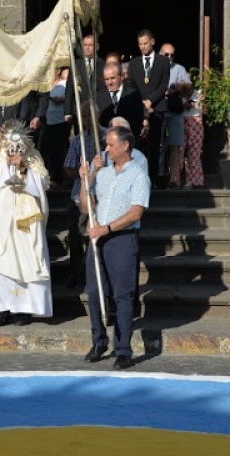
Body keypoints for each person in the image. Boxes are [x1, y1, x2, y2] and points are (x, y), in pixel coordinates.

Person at [79, 126, 150, 370]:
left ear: (125, 146)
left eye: (110, 145)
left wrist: (106, 228)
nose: (106, 149)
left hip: (121, 239)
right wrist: (86, 178)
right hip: (98, 239)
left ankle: (123, 349)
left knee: (122, 295)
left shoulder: (138, 175)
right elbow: (86, 207)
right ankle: (99, 341)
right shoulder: (104, 173)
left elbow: (135, 213)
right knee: (95, 292)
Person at [0, 119, 52, 326]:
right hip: (3, 217)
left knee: (28, 259)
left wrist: (23, 168)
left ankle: (25, 309)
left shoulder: (33, 156)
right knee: (3, 261)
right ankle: (2, 308)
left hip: (26, 222)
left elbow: (42, 183)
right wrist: (5, 167)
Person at [63, 100, 99, 288]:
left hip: (101, 195)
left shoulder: (106, 137)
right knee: (75, 235)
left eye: (89, 116)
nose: (86, 120)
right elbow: (68, 168)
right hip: (80, 193)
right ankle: (77, 273)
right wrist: (80, 170)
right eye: (83, 117)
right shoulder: (78, 140)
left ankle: (96, 273)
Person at [127, 29, 170, 186]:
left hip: (157, 107)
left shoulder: (163, 62)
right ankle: (138, 178)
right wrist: (141, 102)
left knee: (155, 145)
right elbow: (131, 85)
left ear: (152, 42)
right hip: (138, 108)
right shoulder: (133, 63)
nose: (142, 47)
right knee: (137, 143)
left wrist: (150, 100)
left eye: (145, 43)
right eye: (140, 44)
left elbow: (164, 84)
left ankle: (153, 178)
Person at [159, 44, 190, 189]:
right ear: (160, 54)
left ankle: (173, 179)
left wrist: (180, 90)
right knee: (158, 145)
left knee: (175, 145)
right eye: (166, 55)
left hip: (175, 111)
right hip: (158, 110)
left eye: (172, 55)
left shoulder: (180, 69)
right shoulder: (154, 68)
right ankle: (158, 177)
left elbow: (189, 91)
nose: (169, 58)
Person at [96, 62, 145, 146]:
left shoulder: (133, 95)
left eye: (112, 78)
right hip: (106, 144)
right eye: (106, 79)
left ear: (121, 77)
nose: (110, 82)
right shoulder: (98, 96)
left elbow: (138, 119)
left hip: (128, 143)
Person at [64, 34, 104, 127]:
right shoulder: (76, 64)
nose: (87, 48)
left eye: (90, 45)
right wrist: (67, 112)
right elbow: (69, 88)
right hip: (79, 112)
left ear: (97, 47)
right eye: (85, 45)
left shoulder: (102, 64)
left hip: (97, 110)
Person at [43, 66, 70, 186]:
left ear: (58, 71)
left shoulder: (64, 83)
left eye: (53, 69)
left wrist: (61, 99)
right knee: (48, 150)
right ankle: (48, 175)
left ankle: (58, 177)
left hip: (60, 121)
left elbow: (71, 98)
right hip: (47, 121)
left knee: (58, 150)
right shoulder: (45, 85)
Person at [179, 81, 205, 188]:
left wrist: (203, 102)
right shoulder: (178, 94)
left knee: (194, 153)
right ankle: (176, 180)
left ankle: (194, 181)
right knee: (179, 153)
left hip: (196, 122)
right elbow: (176, 107)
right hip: (181, 121)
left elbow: (205, 111)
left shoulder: (198, 93)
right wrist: (187, 104)